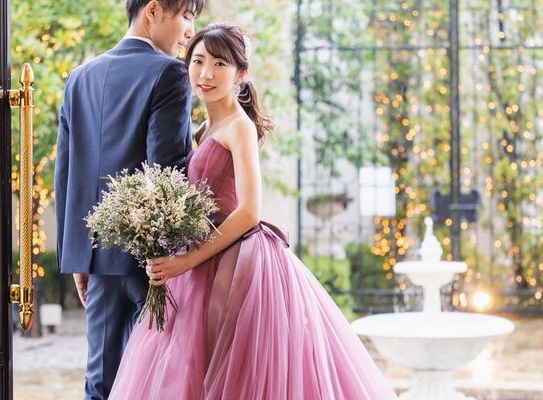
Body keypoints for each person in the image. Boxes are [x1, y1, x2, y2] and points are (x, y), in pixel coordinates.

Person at [109, 22, 398, 399]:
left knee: (240, 372)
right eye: (198, 61)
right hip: (202, 261)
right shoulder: (203, 130)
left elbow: (249, 211)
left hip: (238, 263)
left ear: (241, 74)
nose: (206, 73)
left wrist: (186, 261)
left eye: (219, 64)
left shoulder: (239, 128)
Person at [55, 1, 204, 398]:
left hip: (97, 260)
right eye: (187, 16)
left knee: (101, 383)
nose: (190, 31)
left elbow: (67, 172)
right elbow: (167, 170)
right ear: (153, 10)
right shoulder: (170, 72)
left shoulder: (79, 77)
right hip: (154, 262)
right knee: (156, 382)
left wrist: (78, 258)